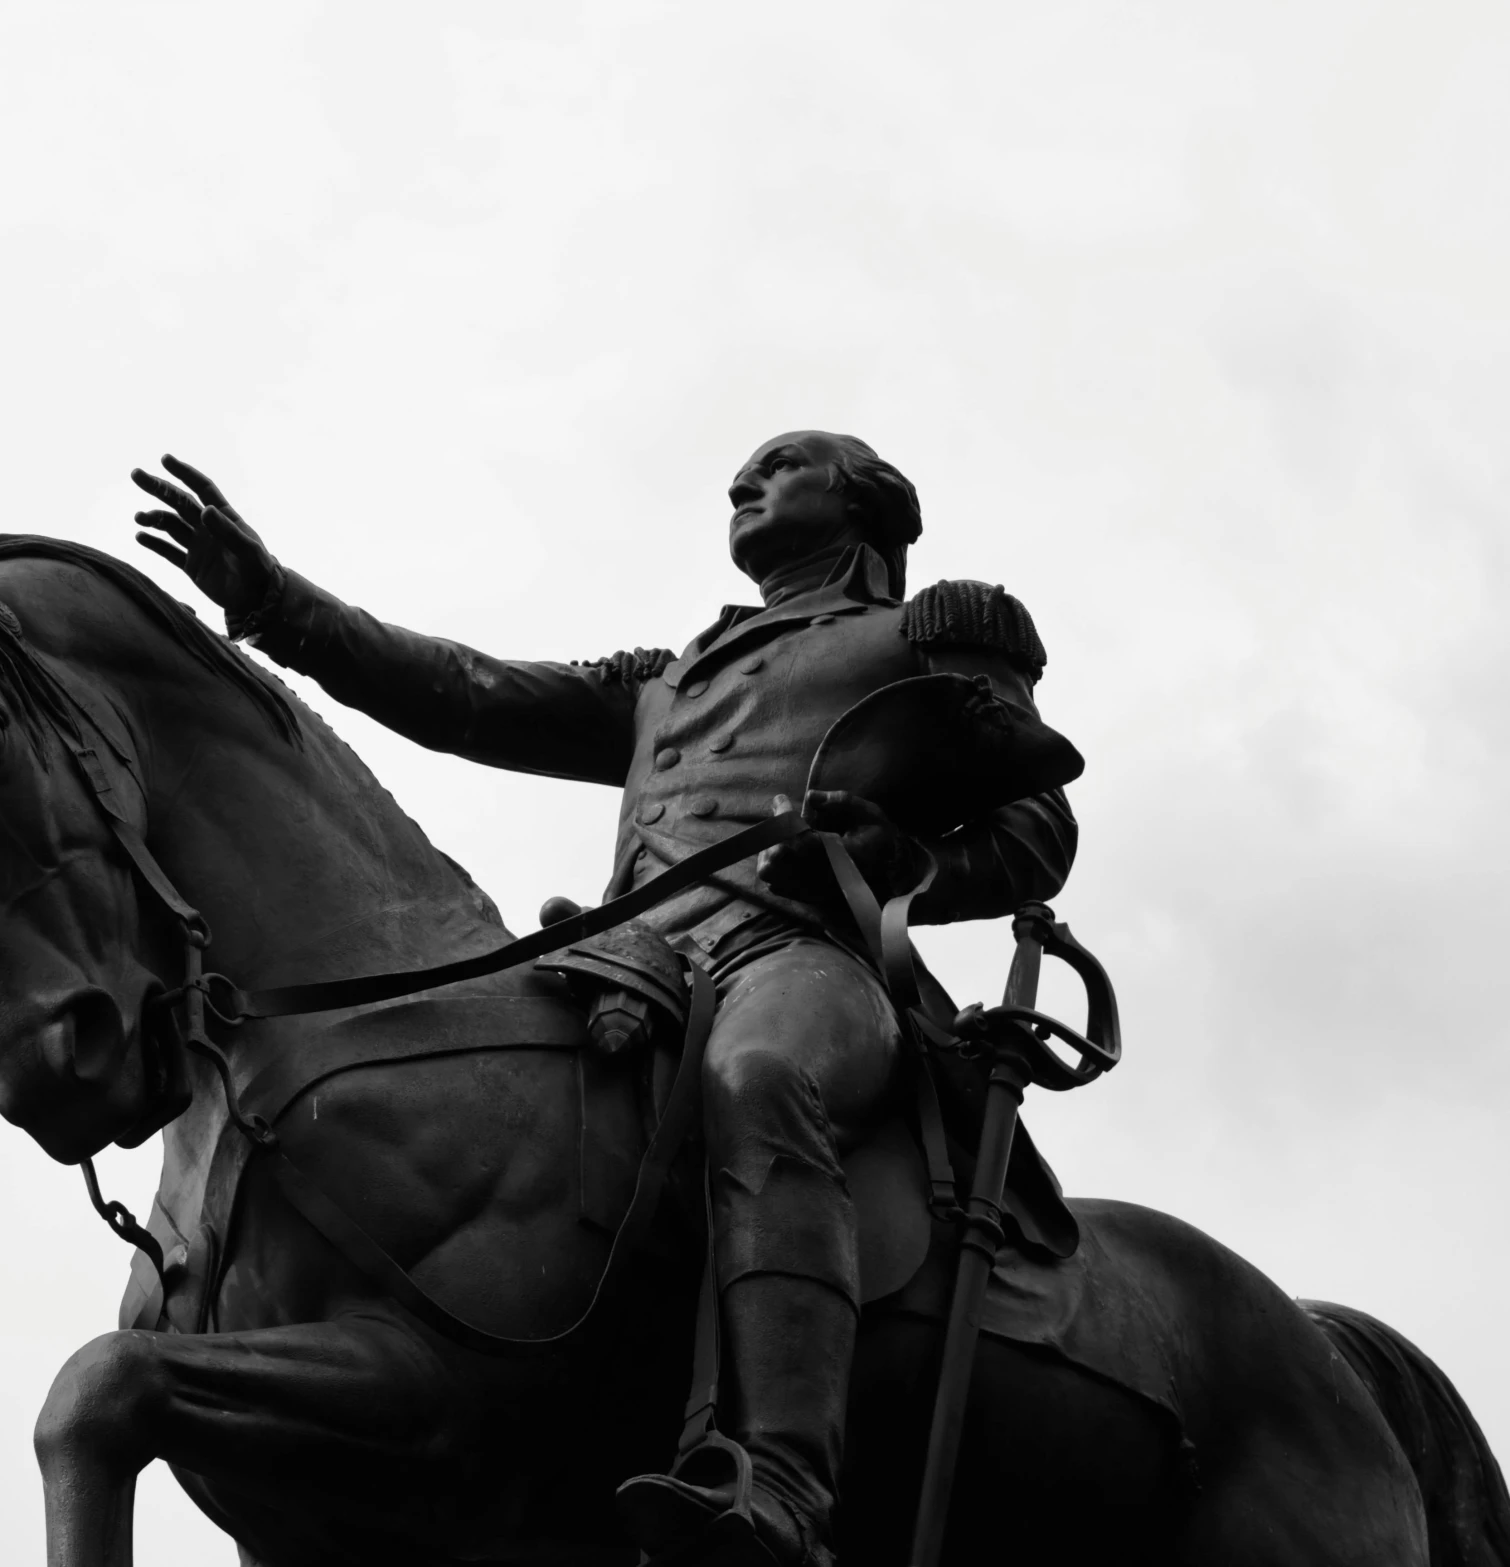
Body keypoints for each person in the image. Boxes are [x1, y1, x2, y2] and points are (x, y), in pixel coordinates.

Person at [132, 433, 1075, 1567]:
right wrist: (275, 602)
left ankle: (780, 1483)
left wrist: (897, 862)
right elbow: (465, 693)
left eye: (784, 464)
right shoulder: (668, 678)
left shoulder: (924, 638)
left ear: (867, 504)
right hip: (630, 966)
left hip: (800, 956)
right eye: (743, 472)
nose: (746, 481)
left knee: (761, 1076)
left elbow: (1034, 831)